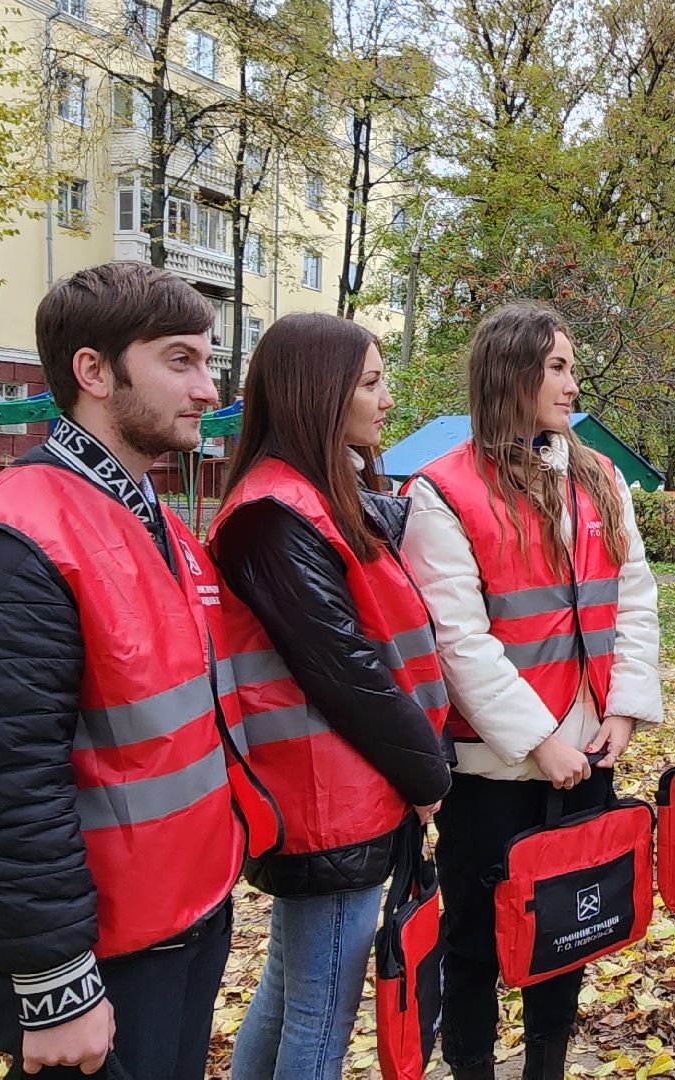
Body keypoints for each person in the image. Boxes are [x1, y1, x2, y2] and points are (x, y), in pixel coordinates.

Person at [0, 261, 244, 1077]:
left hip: (177, 919)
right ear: (93, 370)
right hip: (93, 958)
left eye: (208, 360)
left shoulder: (145, 513)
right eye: (181, 360)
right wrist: (56, 986)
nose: (207, 387)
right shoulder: (4, 544)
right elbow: (5, 784)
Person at [399, 301, 663, 1080]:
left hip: (589, 750)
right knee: (475, 945)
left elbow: (635, 594)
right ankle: (475, 1068)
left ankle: (545, 1064)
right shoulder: (442, 491)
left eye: (572, 367)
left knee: (571, 932)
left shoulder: (599, 475)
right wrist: (538, 739)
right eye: (557, 367)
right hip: (495, 771)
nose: (572, 384)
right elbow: (459, 639)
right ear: (510, 372)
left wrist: (623, 706)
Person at [206, 313, 453, 1079]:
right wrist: (428, 777)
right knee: (321, 1017)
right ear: (320, 393)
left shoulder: (314, 496)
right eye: (371, 383)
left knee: (288, 993)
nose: (387, 400)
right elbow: (347, 671)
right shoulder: (274, 515)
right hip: (330, 803)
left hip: (340, 794)